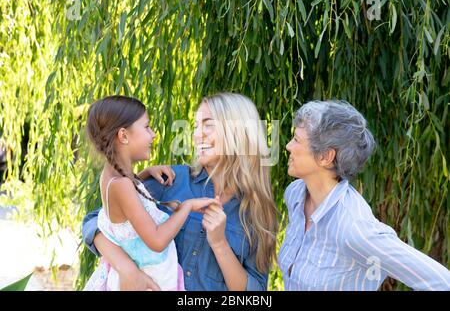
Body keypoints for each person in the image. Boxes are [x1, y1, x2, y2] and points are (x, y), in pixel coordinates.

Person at [82, 92, 279, 290]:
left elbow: (255, 292)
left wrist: (220, 245)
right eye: (195, 126)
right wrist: (127, 270)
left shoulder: (258, 213)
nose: (197, 134)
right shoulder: (170, 180)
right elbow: (96, 222)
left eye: (208, 125)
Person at [278, 100, 450, 291]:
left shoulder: (354, 228)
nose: (288, 146)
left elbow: (442, 282)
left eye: (296, 139)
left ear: (325, 156)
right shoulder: (295, 195)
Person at [83, 95, 218, 291]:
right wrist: (187, 206)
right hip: (151, 280)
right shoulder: (122, 186)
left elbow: (125, 197)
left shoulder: (111, 176)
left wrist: (145, 174)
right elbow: (157, 240)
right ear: (123, 136)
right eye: (146, 127)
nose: (153, 134)